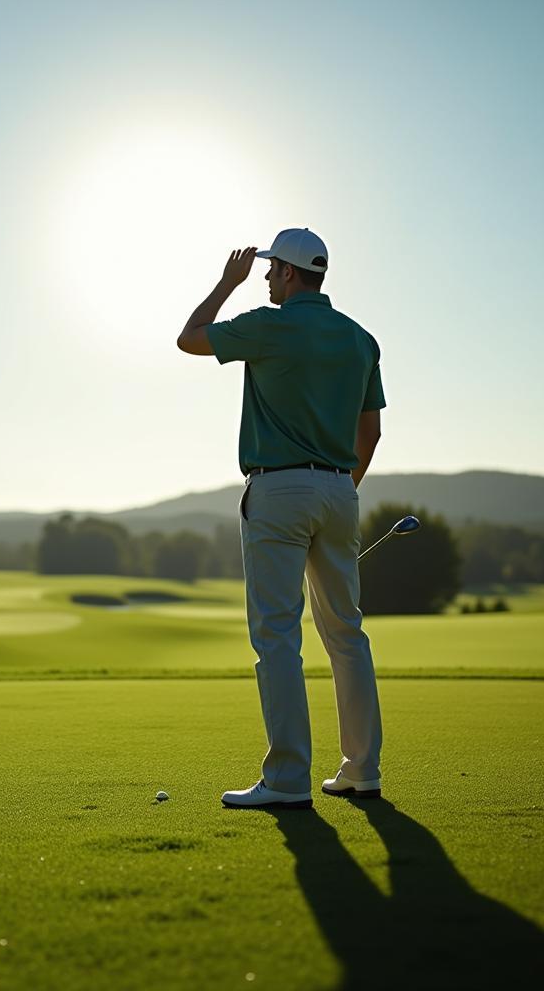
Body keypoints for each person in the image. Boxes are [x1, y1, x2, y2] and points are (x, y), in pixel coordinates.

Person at [176, 228, 385, 809]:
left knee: (276, 635)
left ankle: (289, 778)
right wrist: (341, 490)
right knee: (346, 633)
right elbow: (370, 432)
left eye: (271, 269)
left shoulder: (266, 325)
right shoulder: (361, 339)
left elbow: (188, 339)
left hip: (277, 490)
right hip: (341, 490)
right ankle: (361, 770)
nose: (265, 276)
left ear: (290, 274)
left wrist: (226, 282)